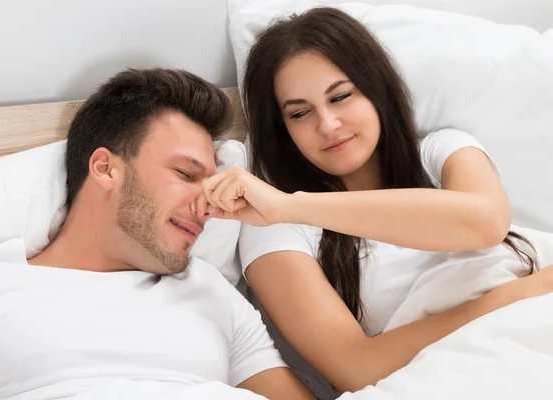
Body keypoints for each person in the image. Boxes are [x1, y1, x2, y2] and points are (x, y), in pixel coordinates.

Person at [195, 7, 553, 399]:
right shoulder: (273, 224)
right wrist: (520, 294)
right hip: (467, 364)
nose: (328, 125)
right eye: (300, 113)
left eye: (341, 96)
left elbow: (485, 224)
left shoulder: (440, 151)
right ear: (283, 130)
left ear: (375, 89)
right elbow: (356, 368)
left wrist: (293, 204)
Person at [0, 68, 317, 400]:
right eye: (186, 174)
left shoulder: (212, 291)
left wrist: (290, 208)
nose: (208, 204)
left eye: (212, 183)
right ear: (105, 168)